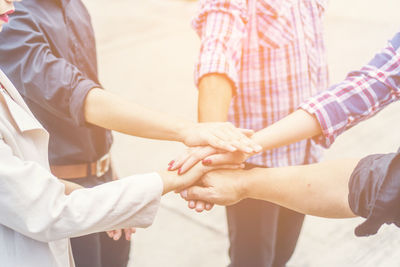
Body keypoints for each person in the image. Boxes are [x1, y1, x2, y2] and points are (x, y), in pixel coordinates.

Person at [0, 1, 261, 266]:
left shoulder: (71, 4)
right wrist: (187, 133)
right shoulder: (11, 20)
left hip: (101, 177)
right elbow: (75, 95)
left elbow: (89, 85)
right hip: (62, 194)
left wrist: (110, 173)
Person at [180, 28, 400, 237]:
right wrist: (242, 145)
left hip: (301, 154)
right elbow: (377, 80)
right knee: (253, 257)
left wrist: (241, 177)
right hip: (257, 153)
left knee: (284, 249)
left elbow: (379, 183)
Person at [171, 0, 329, 265]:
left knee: (282, 254)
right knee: (253, 259)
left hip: (304, 151)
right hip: (251, 161)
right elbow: (217, 53)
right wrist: (210, 140)